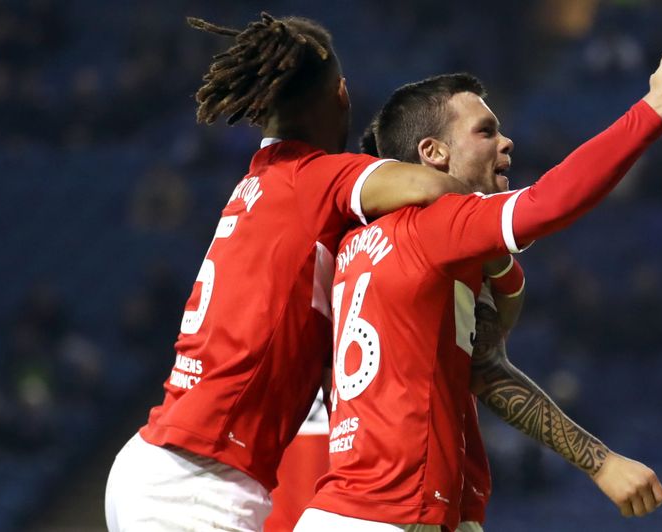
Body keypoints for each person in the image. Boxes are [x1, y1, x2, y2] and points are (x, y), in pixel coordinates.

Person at [295, 50, 662, 531]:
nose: (506, 142)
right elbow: (547, 203)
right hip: (392, 515)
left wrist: (601, 462)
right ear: (433, 153)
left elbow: (486, 369)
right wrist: (657, 106)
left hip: (363, 509)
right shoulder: (437, 225)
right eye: (485, 131)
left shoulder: (358, 243)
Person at [104, 13, 475, 531]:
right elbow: (434, 189)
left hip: (159, 463)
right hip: (200, 483)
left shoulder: (253, 187)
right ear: (341, 94)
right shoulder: (315, 178)